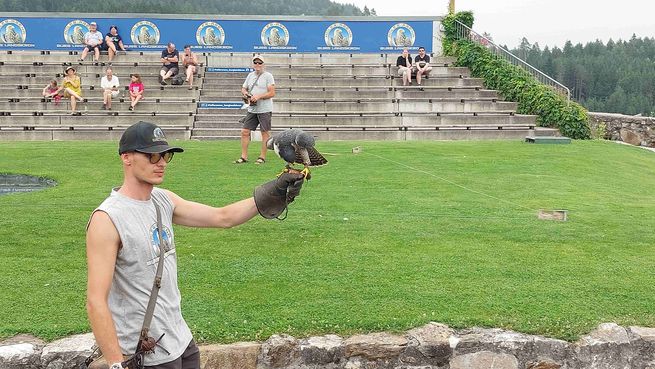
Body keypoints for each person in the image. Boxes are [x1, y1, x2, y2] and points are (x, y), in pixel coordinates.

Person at [86, 121, 305, 369]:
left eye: (165, 155)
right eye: (152, 155)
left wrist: (274, 192)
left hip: (181, 342)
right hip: (146, 355)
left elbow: (223, 217)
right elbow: (96, 301)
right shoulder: (107, 219)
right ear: (126, 157)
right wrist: (116, 364)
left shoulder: (163, 200)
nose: (161, 162)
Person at [234, 54, 275, 165]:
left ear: (263, 64)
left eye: (260, 63)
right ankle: (244, 156)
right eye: (255, 62)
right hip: (252, 109)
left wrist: (259, 96)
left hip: (265, 109)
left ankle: (262, 157)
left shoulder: (268, 76)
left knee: (265, 133)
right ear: (253, 64)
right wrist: (246, 93)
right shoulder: (250, 75)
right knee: (245, 132)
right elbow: (243, 88)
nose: (257, 64)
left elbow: (272, 93)